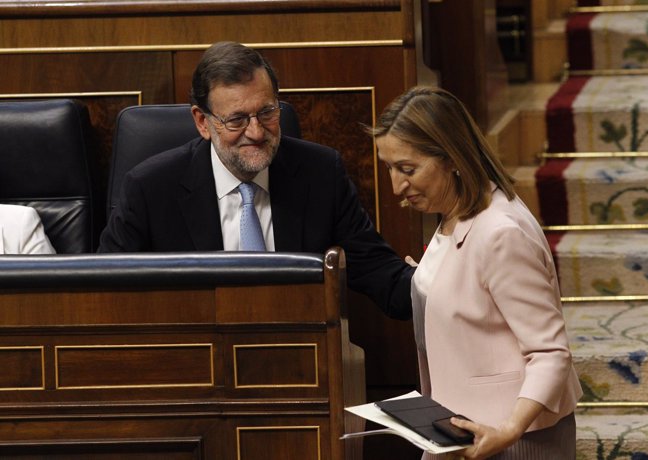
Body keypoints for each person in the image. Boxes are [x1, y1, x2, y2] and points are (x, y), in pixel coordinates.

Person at [98, 41, 413, 319]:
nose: (257, 132)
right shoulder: (151, 188)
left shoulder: (319, 173)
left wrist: (440, 278)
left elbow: (379, 274)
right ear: (202, 122)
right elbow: (105, 293)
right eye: (237, 119)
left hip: (299, 360)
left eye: (266, 112)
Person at [371, 86, 582, 459]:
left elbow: (550, 353)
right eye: (389, 167)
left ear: (451, 157)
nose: (396, 186)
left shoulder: (501, 233)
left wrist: (508, 431)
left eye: (408, 169)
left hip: (512, 439)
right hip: (455, 429)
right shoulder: (455, 211)